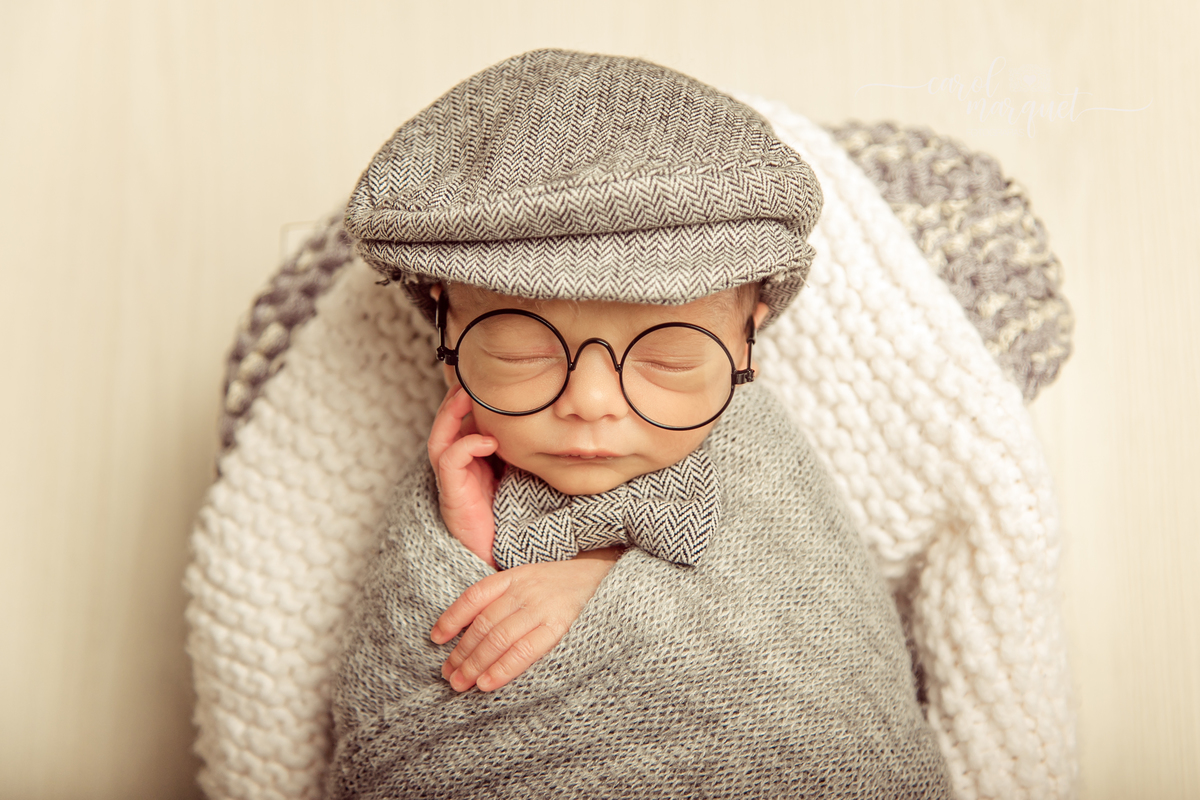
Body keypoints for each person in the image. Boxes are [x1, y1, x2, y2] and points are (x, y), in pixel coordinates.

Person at [326, 48, 952, 798]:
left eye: (667, 359)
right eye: (523, 352)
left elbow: (821, 674)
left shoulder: (762, 468)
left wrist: (602, 587)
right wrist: (471, 546)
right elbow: (398, 732)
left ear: (746, 337)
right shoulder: (451, 487)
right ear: (444, 322)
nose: (591, 401)